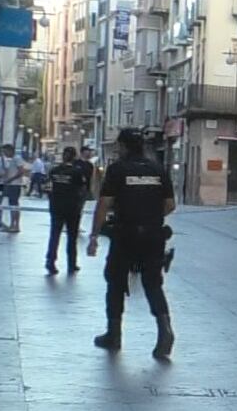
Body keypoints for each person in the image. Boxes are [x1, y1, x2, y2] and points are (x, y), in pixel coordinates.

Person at [86, 129, 176, 359]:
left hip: (125, 235)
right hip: (154, 235)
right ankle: (165, 330)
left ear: (124, 146)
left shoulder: (118, 170)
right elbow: (170, 204)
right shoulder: (158, 169)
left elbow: (104, 204)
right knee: (153, 284)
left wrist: (94, 235)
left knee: (115, 281)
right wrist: (151, 215)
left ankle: (114, 334)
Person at [44, 146, 89, 275]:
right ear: (74, 157)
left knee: (54, 235)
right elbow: (82, 189)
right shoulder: (77, 172)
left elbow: (47, 187)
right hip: (72, 208)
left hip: (56, 206)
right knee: (72, 236)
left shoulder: (54, 171)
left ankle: (50, 261)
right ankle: (72, 263)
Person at [0, 143, 28, 233]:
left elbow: (21, 171)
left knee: (14, 205)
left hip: (14, 185)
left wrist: (10, 180)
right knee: (13, 204)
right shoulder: (12, 159)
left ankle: (15, 225)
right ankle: (13, 224)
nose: (5, 154)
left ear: (10, 150)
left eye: (5, 152)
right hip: (12, 184)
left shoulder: (17, 159)